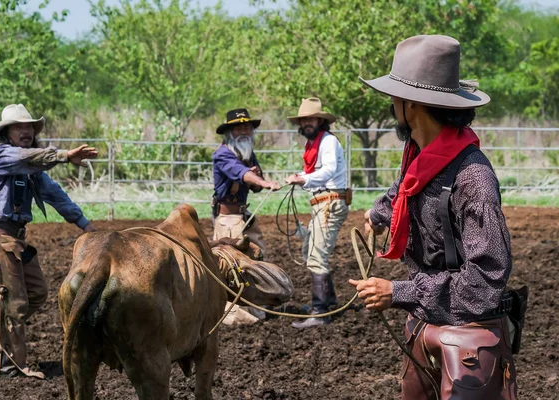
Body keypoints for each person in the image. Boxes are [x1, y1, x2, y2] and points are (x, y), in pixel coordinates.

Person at [351, 35, 518, 398]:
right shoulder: (423, 156)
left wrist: (398, 291)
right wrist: (378, 213)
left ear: (411, 105)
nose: (391, 105)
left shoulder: (473, 178)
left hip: (468, 337)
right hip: (427, 323)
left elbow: (484, 280)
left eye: (394, 98)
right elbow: (405, 188)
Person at [0, 104, 98, 379]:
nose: (25, 132)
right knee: (16, 302)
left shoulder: (32, 169)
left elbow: (56, 195)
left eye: (28, 128)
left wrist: (86, 226)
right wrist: (63, 155)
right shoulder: (3, 156)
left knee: (36, 293)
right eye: (18, 127)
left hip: (16, 238)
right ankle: (12, 365)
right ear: (6, 133)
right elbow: (31, 157)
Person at [285, 97, 350, 329]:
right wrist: (301, 176)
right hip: (322, 203)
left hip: (329, 203)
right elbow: (316, 171)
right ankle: (328, 301)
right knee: (309, 250)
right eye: (304, 120)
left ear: (320, 121)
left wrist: (304, 178)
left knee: (316, 255)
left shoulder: (328, 142)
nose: (307, 123)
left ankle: (320, 311)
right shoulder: (315, 144)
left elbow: (329, 170)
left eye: (311, 118)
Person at [212, 108, 281, 324]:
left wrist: (259, 180)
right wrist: (263, 181)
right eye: (238, 127)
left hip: (244, 215)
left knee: (256, 259)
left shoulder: (248, 153)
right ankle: (233, 313)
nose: (243, 130)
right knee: (232, 267)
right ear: (230, 132)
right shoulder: (222, 154)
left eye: (246, 126)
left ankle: (254, 307)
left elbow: (254, 184)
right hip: (229, 220)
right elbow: (241, 173)